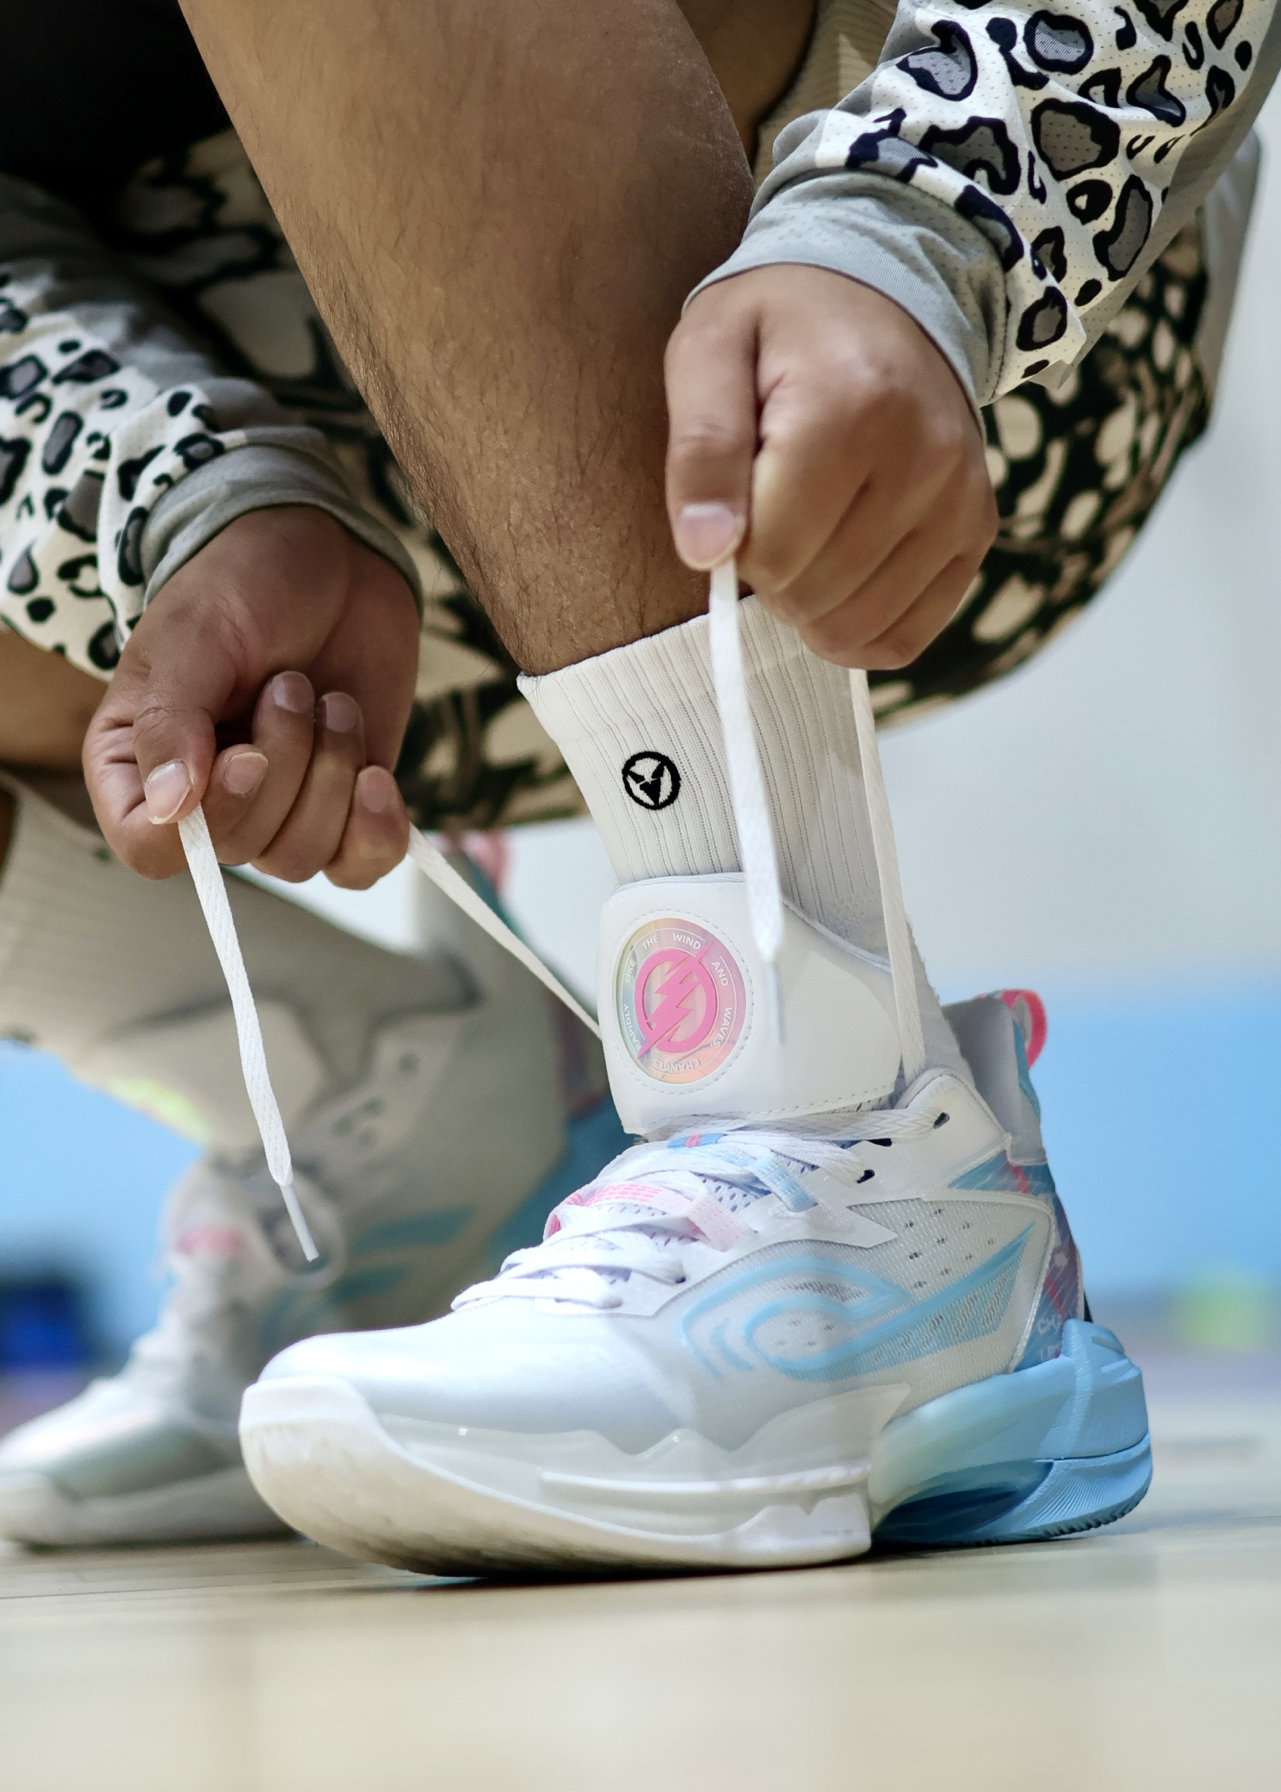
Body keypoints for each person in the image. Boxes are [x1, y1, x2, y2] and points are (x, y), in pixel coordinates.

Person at [0, 0, 1263, 1564]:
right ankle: (407, 1152)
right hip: (288, 492)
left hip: (918, 308)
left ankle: (848, 1148)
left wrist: (926, 209)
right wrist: (189, 501)